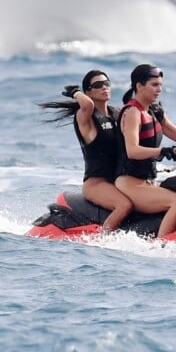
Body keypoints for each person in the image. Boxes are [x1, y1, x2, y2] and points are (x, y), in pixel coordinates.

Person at [115, 64, 176, 238]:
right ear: (139, 86)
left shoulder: (155, 112)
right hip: (130, 184)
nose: (159, 90)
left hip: (147, 181)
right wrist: (163, 151)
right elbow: (132, 151)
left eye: (161, 85)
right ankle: (162, 246)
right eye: (154, 85)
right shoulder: (133, 112)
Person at [39, 70, 132, 233]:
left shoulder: (117, 114)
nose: (104, 87)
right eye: (98, 85)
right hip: (97, 183)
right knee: (124, 206)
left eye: (107, 84)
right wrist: (75, 93)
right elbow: (87, 105)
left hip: (119, 180)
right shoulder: (86, 118)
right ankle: (104, 239)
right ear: (88, 92)